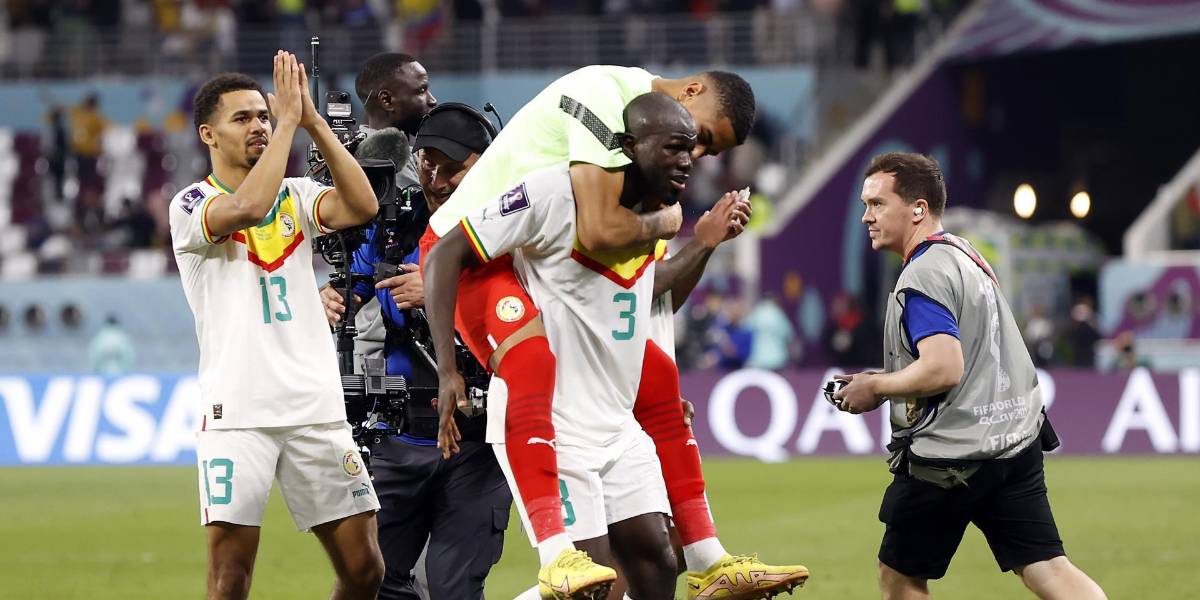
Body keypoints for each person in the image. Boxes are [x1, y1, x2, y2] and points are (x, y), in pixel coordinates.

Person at [423, 64, 802, 596]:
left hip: (557, 316)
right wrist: (448, 370)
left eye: (701, 150)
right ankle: (556, 553)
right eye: (691, 141)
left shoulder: (640, 196)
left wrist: (701, 241)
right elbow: (599, 231)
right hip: (468, 254)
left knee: (656, 378)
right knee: (531, 362)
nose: (692, 157)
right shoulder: (600, 105)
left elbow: (647, 295)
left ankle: (708, 558)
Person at [834, 152, 1106, 600]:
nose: (867, 216)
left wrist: (877, 386)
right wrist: (890, 374)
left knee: (900, 574)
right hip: (1013, 441)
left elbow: (945, 366)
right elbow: (971, 353)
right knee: (1048, 568)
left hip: (951, 457)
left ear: (918, 209)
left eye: (878, 204)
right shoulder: (966, 254)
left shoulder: (923, 274)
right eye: (866, 205)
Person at [168, 54, 383, 600]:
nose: (259, 125)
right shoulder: (191, 204)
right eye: (242, 118)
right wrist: (288, 124)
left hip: (315, 406)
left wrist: (311, 120)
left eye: (263, 115)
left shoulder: (298, 196)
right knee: (230, 577)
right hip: (239, 412)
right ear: (208, 134)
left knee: (365, 570)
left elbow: (363, 205)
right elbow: (247, 207)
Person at [320, 103, 511, 600]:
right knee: (371, 578)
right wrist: (327, 298)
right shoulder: (394, 223)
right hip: (399, 435)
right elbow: (354, 284)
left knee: (453, 588)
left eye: (453, 168)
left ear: (485, 164)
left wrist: (440, 291)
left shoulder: (514, 223)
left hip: (478, 443)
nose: (437, 180)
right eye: (428, 163)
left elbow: (536, 307)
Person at [337, 52, 439, 370]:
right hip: (384, 348)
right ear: (387, 100)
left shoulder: (402, 153)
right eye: (421, 90)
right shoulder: (378, 164)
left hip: (399, 341)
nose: (432, 100)